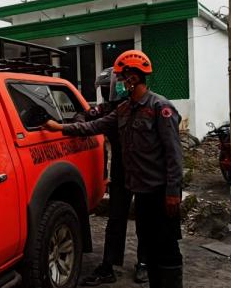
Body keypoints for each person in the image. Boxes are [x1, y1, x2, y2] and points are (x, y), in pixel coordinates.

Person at [43, 50, 184, 288]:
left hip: (159, 191)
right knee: (147, 239)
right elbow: (93, 125)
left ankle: (161, 277)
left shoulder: (160, 108)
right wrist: (60, 127)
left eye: (122, 76)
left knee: (167, 246)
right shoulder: (123, 110)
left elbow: (174, 154)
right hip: (136, 186)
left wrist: (173, 191)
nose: (119, 81)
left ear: (135, 77)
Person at [78, 67, 148, 286]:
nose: (111, 90)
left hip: (145, 173)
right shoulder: (111, 109)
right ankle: (108, 265)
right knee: (116, 220)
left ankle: (144, 264)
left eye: (112, 86)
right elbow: (86, 116)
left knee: (145, 221)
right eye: (108, 87)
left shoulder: (145, 106)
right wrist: (76, 121)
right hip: (120, 172)